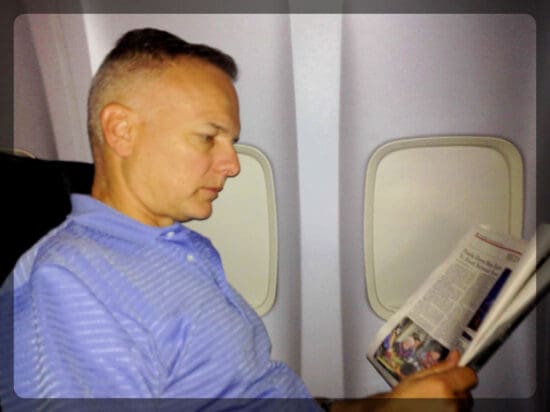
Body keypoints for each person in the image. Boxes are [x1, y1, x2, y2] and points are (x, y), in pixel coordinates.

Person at [2, 28, 477, 410]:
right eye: (209, 137)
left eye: (231, 141)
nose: (232, 164)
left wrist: (386, 405)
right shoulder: (71, 282)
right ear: (121, 130)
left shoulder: (182, 248)